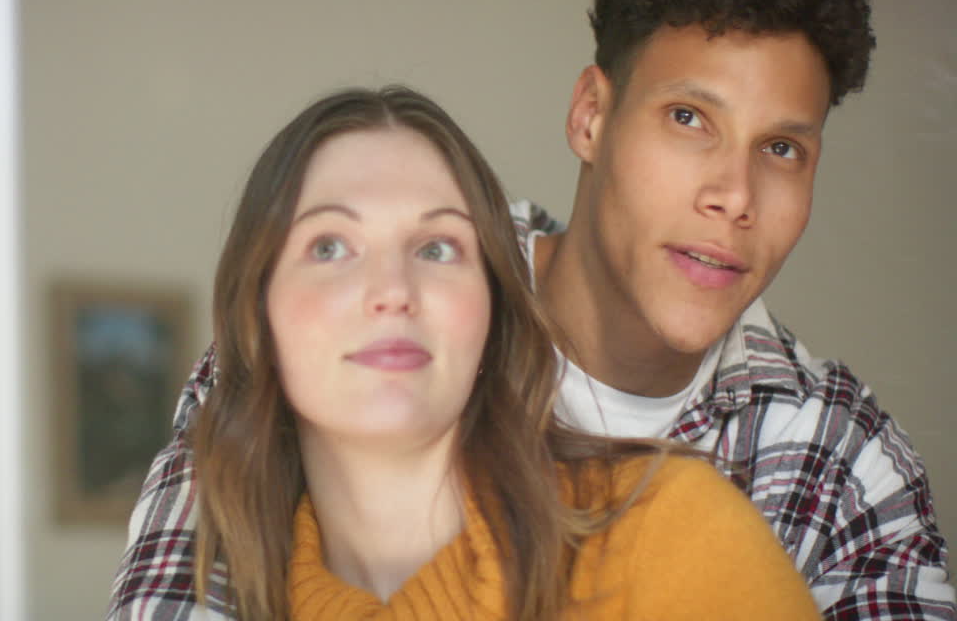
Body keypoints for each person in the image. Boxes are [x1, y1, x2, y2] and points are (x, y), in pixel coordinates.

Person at [108, 0, 955, 619]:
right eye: (689, 119)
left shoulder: (840, 457)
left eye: (780, 149)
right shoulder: (359, 327)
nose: (734, 195)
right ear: (591, 115)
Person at [124, 85, 822, 620]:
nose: (392, 291)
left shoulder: (674, 531)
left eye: (437, 248)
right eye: (330, 246)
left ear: (493, 314)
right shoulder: (223, 587)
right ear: (258, 319)